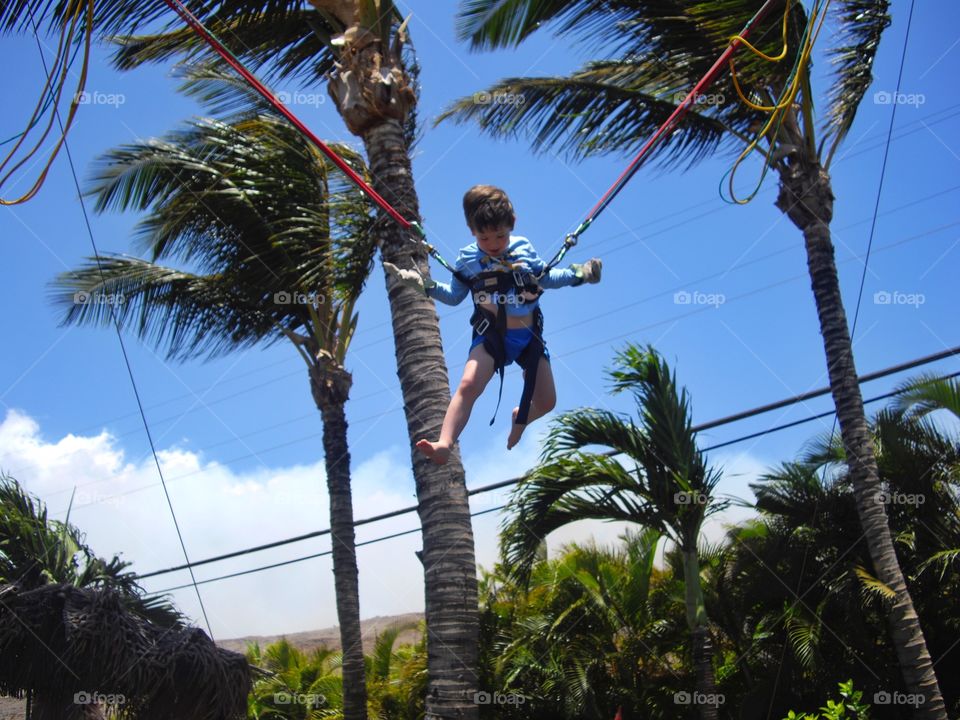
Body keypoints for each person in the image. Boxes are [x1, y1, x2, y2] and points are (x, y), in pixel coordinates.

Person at [384, 185, 601, 465]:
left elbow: (546, 278)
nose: (494, 243)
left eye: (500, 235)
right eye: (484, 237)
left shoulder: (523, 249)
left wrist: (580, 273)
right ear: (472, 231)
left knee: (547, 402)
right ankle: (445, 442)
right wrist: (424, 286)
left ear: (512, 225)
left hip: (528, 338)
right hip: (491, 339)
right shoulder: (468, 259)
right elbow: (453, 296)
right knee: (469, 383)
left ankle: (521, 415)